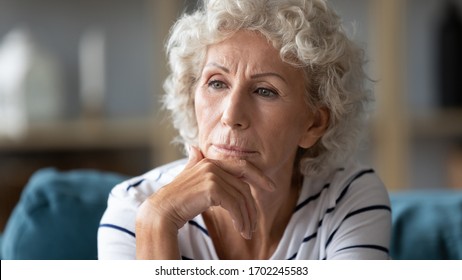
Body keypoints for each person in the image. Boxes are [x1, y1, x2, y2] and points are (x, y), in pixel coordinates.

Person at [98, 0, 391, 260]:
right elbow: (151, 217)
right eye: (217, 83)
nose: (231, 115)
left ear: (313, 124)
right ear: (191, 95)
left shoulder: (348, 197)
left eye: (265, 91)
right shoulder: (135, 207)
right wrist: (159, 221)